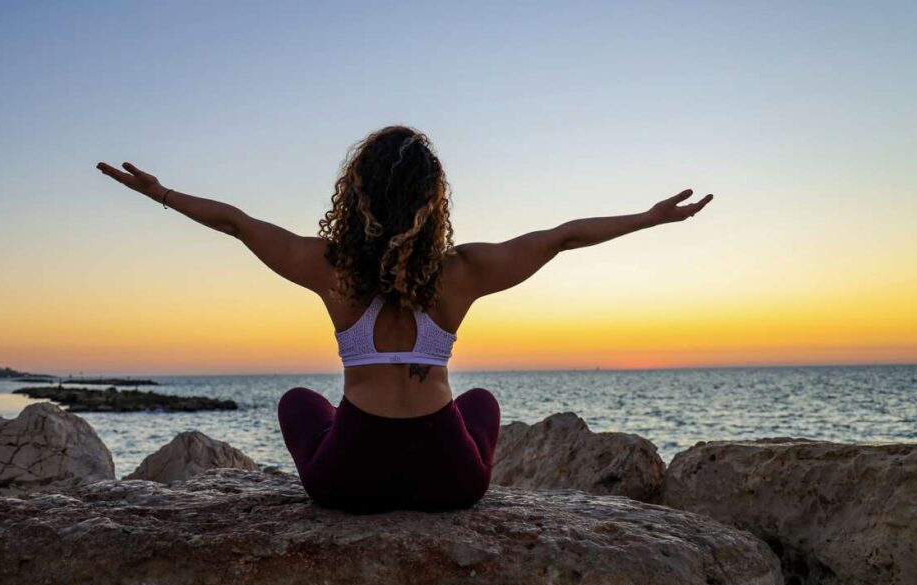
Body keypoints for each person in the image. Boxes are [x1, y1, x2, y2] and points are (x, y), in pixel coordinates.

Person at [97, 125, 712, 513]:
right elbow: (562, 237)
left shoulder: (330, 268)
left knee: (297, 403)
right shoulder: (463, 272)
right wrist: (647, 218)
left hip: (346, 482)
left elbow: (236, 222)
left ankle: (350, 431)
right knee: (482, 405)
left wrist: (162, 194)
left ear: (354, 195)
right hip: (449, 482)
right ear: (433, 201)